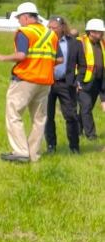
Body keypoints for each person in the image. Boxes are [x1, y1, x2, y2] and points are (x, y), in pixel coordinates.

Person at [0, 2, 60, 163]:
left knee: (14, 114)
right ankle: (34, 154)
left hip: (26, 79)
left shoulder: (25, 32)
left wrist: (2, 57)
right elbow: (59, 58)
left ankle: (20, 152)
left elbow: (21, 55)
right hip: (45, 81)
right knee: (39, 119)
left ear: (26, 17)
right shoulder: (51, 35)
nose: (18, 21)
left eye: (19, 18)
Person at [45, 16, 83, 154]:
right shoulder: (44, 42)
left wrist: (77, 80)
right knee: (48, 116)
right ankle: (51, 145)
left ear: (62, 27)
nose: (51, 30)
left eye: (53, 27)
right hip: (47, 83)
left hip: (66, 84)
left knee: (71, 116)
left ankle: (74, 147)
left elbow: (82, 65)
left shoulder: (74, 43)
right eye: (49, 27)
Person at [76, 18, 105, 141]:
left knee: (86, 108)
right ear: (91, 32)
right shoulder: (79, 43)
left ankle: (77, 130)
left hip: (97, 81)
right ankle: (91, 135)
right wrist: (76, 81)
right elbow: (72, 63)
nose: (102, 34)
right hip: (83, 82)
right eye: (99, 32)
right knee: (86, 107)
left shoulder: (102, 43)